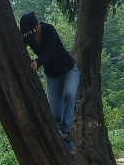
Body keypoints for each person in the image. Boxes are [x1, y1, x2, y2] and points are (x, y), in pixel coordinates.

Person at [19, 11, 80, 152]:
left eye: (33, 32)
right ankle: (65, 144)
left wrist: (38, 62)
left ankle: (66, 130)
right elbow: (20, 44)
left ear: (37, 25)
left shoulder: (49, 30)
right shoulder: (28, 36)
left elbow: (51, 51)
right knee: (55, 113)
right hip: (52, 76)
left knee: (69, 95)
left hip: (69, 70)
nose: (32, 37)